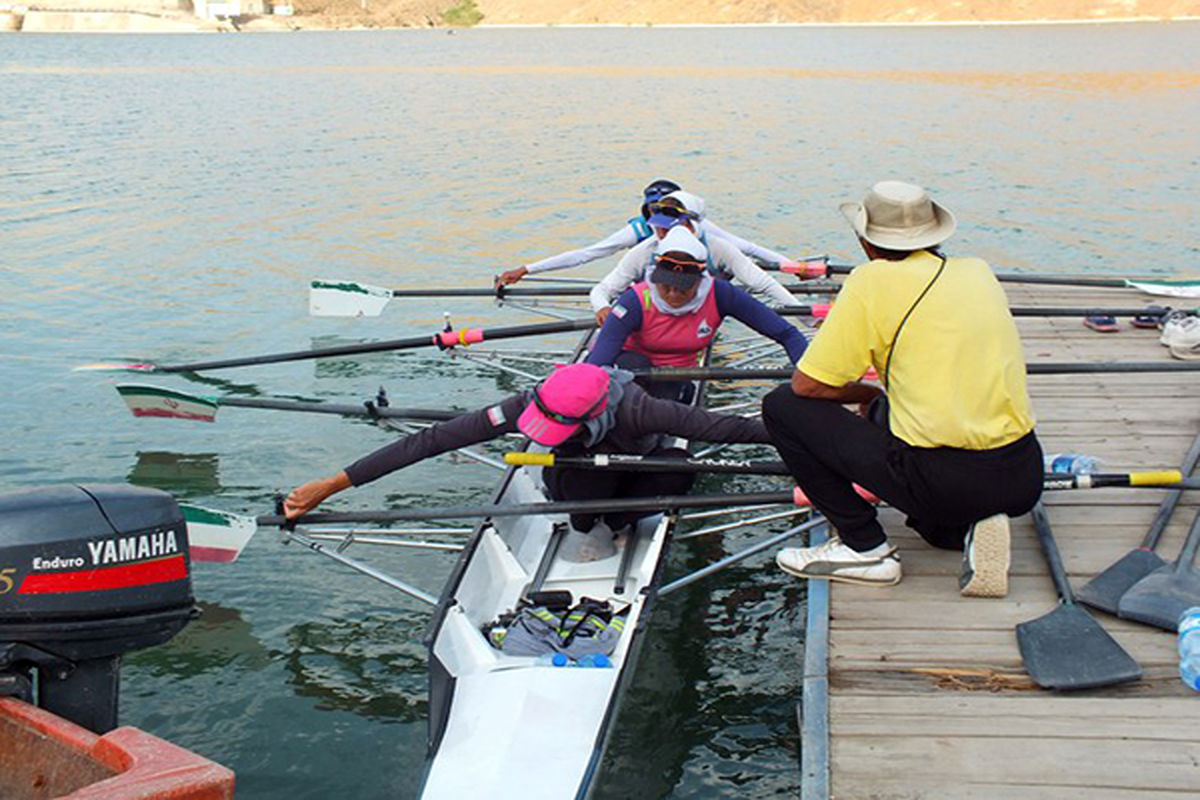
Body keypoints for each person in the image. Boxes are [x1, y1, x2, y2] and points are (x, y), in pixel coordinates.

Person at [760, 181, 1042, 597]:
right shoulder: (978, 271)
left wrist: (867, 394)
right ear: (936, 235)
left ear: (866, 242)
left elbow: (809, 385)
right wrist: (877, 402)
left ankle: (865, 547)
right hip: (1022, 474)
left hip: (944, 481)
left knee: (782, 406)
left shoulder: (870, 281)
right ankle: (965, 527)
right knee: (889, 416)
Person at [284, 363, 771, 562]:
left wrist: (823, 450)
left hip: (642, 462)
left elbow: (731, 428)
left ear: (596, 412)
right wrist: (331, 485)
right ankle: (597, 521)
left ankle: (624, 521)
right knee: (582, 502)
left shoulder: (641, 407)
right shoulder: (525, 402)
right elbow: (430, 441)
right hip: (581, 471)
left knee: (680, 467)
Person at [585, 226, 808, 402]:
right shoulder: (634, 300)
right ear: (655, 274)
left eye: (682, 287)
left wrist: (808, 377)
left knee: (670, 389)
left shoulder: (721, 294)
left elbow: (787, 334)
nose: (672, 294)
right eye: (665, 285)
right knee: (631, 368)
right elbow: (599, 361)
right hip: (631, 370)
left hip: (676, 376)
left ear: (700, 279)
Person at [495, 180, 796, 287]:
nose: (662, 221)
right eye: (655, 211)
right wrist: (526, 269)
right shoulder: (638, 231)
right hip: (654, 289)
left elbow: (749, 248)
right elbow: (586, 254)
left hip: (700, 286)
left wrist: (795, 268)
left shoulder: (701, 228)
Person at [589, 191, 803, 323]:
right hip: (652, 318)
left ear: (695, 224)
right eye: (660, 228)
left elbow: (764, 284)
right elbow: (602, 289)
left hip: (700, 315)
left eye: (672, 227)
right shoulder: (645, 250)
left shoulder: (718, 248)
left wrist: (808, 318)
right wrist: (602, 306)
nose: (664, 234)